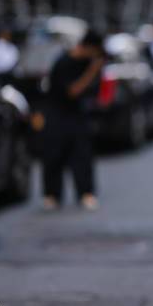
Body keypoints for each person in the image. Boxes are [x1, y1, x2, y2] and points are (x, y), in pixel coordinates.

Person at [41, 30, 105, 211]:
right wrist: (92, 71)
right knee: (54, 153)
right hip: (57, 113)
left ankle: (86, 193)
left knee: (82, 153)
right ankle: (52, 195)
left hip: (78, 114)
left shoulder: (88, 62)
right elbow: (72, 91)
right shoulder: (64, 62)